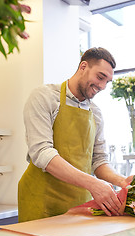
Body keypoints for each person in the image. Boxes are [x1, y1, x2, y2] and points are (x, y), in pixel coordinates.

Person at [18, 47, 128, 222]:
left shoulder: (96, 113)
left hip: (80, 205)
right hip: (41, 201)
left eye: (107, 81)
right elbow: (42, 153)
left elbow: (98, 160)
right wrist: (93, 184)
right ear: (83, 66)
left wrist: (122, 181)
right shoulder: (44, 97)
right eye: (100, 77)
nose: (102, 86)